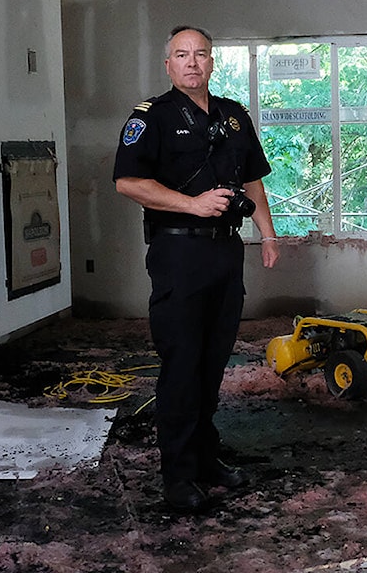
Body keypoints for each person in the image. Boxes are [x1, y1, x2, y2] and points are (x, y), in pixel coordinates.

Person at [113, 25, 280, 512]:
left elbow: (252, 179)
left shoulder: (233, 116)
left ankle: (206, 459)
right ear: (168, 65)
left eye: (200, 54)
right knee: (182, 365)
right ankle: (179, 476)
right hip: (178, 253)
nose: (191, 62)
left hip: (225, 253)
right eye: (181, 55)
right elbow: (128, 183)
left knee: (213, 363)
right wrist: (191, 204)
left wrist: (267, 235)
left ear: (212, 62)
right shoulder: (153, 117)